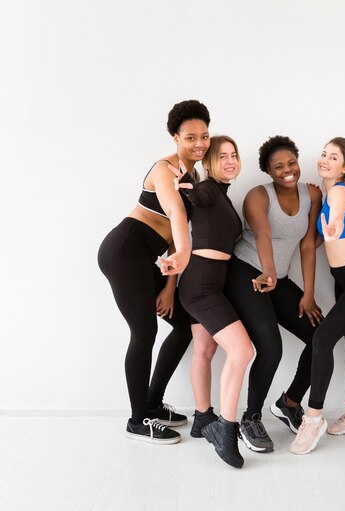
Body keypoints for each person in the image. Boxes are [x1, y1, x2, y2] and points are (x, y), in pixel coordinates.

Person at [97, 99, 210, 444]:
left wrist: (170, 285)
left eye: (204, 136)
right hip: (123, 250)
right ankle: (138, 420)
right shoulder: (164, 170)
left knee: (186, 324)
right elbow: (177, 217)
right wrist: (185, 254)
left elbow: (174, 242)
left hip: (148, 258)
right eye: (190, 137)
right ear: (174, 137)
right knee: (143, 332)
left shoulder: (192, 176)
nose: (199, 144)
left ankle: (152, 403)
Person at [222, 136, 323, 453]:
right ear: (268, 170)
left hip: (276, 278)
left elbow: (307, 245)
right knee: (271, 347)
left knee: (322, 337)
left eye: (291, 162)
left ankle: (289, 402)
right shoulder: (257, 196)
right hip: (245, 273)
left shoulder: (311, 194)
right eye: (278, 166)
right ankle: (250, 418)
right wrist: (266, 271)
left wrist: (308, 293)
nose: (287, 170)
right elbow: (263, 235)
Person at [290, 137, 345, 455]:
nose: (325, 159)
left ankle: (313, 419)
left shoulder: (341, 192)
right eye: (323, 154)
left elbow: (339, 210)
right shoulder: (329, 193)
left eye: (333, 157)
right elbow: (318, 238)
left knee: (322, 339)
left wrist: (335, 222)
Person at [173, 135, 254, 468]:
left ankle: (203, 418)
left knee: (205, 351)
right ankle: (226, 429)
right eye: (222, 156)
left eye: (234, 155)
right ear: (209, 162)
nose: (230, 161)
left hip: (208, 282)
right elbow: (191, 193)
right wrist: (186, 183)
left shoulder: (223, 195)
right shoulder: (207, 190)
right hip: (201, 285)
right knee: (242, 351)